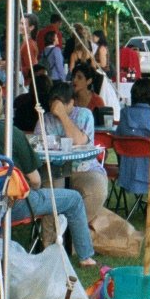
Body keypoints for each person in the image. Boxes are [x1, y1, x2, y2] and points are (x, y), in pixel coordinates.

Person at [0, 75, 97, 268]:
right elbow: (35, 180)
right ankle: (86, 257)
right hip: (14, 203)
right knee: (73, 199)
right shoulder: (10, 133)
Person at [35, 81, 109, 222]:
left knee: (96, 190)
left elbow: (79, 141)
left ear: (72, 102)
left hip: (83, 168)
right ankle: (52, 240)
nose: (56, 109)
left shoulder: (84, 114)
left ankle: (78, 231)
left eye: (61, 104)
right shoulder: (45, 119)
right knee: (53, 198)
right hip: (54, 169)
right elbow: (38, 146)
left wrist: (63, 116)